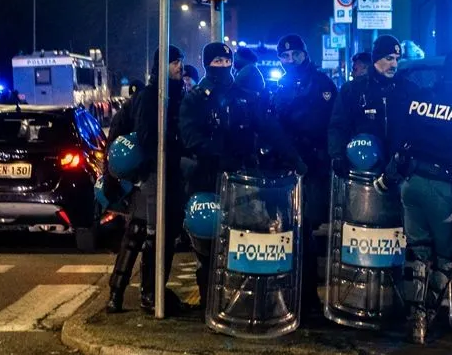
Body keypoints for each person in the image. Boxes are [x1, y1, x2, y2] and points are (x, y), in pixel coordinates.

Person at [180, 42, 306, 300]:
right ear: (207, 64)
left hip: (241, 178)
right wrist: (218, 153)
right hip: (208, 177)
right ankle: (209, 301)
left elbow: (268, 127)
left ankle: (240, 299)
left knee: (241, 240)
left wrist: (294, 158)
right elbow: (190, 136)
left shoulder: (242, 94)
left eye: (227, 63)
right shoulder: (196, 97)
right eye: (217, 63)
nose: (223, 68)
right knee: (208, 245)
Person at [390, 49, 452, 344]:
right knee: (448, 257)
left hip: (412, 185)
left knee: (419, 252)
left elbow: (401, 140)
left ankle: (414, 320)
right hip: (444, 190)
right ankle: (428, 316)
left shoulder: (421, 98)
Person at [107, 47, 186, 315]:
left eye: (180, 62)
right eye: (174, 62)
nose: (179, 67)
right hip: (153, 175)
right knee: (148, 235)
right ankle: (146, 294)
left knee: (156, 234)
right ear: (160, 67)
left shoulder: (175, 94)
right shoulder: (152, 96)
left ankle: (150, 292)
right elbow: (147, 138)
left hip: (166, 174)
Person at [270, 34, 339, 315]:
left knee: (307, 226)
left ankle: (308, 294)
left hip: (315, 166)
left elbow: (334, 123)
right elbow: (274, 126)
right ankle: (293, 291)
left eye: (294, 55)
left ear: (304, 54)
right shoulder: (281, 87)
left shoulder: (323, 84)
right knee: (291, 229)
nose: (290, 61)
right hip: (289, 165)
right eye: (284, 57)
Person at [328, 36, 411, 176]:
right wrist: (338, 155)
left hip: (398, 172)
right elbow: (338, 125)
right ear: (376, 59)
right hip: (363, 171)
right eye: (389, 58)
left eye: (397, 59)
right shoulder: (353, 90)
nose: (394, 64)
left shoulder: (408, 90)